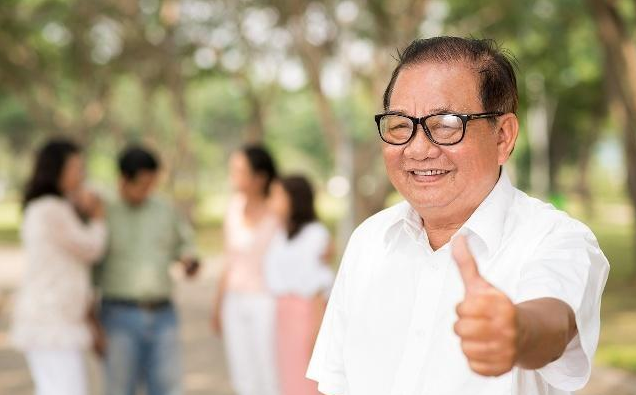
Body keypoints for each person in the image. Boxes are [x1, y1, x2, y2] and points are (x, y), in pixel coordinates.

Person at [307, 36, 610, 395]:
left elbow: (553, 324)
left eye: (446, 124)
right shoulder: (369, 240)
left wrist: (516, 331)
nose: (417, 149)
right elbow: (335, 384)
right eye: (400, 124)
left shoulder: (555, 239)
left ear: (503, 137)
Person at [93, 145, 199, 395]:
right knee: (119, 388)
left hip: (163, 314)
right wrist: (92, 323)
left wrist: (188, 260)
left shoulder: (164, 209)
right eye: (141, 185)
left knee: (169, 388)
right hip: (118, 315)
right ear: (123, 180)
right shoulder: (102, 211)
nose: (147, 191)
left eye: (152, 184)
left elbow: (184, 245)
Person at [11, 138, 107, 395]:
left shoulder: (48, 208)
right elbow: (91, 248)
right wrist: (98, 218)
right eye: (76, 168)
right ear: (57, 170)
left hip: (53, 319)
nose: (81, 175)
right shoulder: (50, 210)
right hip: (52, 321)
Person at [211, 144, 280, 395]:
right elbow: (229, 260)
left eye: (240, 171)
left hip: (267, 301)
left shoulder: (278, 210)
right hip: (234, 300)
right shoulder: (233, 207)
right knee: (242, 374)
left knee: (270, 371)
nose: (233, 177)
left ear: (260, 177)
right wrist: (218, 304)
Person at [265, 175, 334, 395]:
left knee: (309, 381)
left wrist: (316, 334)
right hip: (284, 317)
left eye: (277, 195)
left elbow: (317, 289)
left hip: (306, 316)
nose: (271, 200)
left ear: (294, 199)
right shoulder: (280, 233)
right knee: (289, 379)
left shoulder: (315, 235)